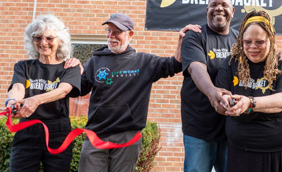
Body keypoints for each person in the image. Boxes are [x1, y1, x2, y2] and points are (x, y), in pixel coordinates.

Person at [180, 0, 282, 172]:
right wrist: (215, 95)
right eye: (247, 42)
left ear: (232, 11)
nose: (251, 46)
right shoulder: (196, 36)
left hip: (237, 134)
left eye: (224, 5)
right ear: (207, 10)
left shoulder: (240, 39)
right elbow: (196, 68)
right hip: (202, 127)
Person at [65, 13, 185, 172]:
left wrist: (182, 40)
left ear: (130, 34)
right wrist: (72, 72)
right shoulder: (95, 61)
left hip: (127, 137)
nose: (111, 36)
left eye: (117, 32)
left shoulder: (144, 62)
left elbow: (174, 65)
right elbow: (77, 90)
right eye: (108, 31)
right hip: (96, 135)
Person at [215, 10, 282, 172]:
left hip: (278, 151)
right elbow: (221, 95)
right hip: (240, 151)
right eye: (247, 42)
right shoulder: (231, 64)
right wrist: (225, 102)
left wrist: (250, 103)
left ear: (270, 40)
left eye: (259, 42)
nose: (252, 47)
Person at [6, 14, 81, 172]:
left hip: (58, 132)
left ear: (60, 40)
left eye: (49, 38)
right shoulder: (23, 66)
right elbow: (18, 87)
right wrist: (12, 101)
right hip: (27, 130)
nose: (43, 43)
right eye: (37, 38)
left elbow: (62, 91)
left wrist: (34, 100)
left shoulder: (69, 67)